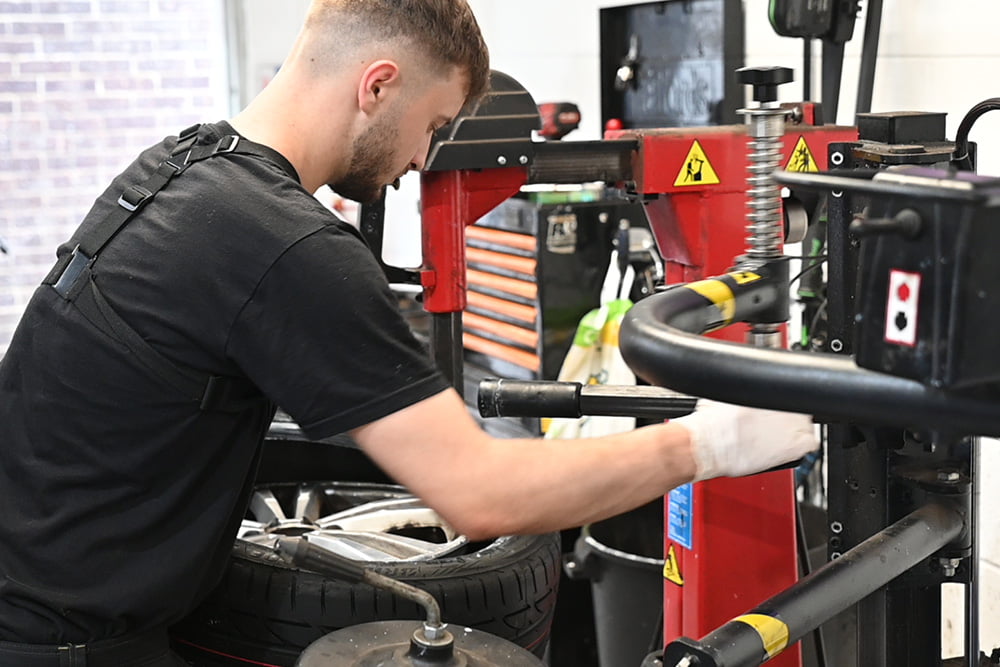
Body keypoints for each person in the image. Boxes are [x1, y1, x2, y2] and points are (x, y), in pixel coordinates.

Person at [0, 0, 818, 665]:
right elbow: (480, 494)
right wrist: (714, 442)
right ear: (378, 85)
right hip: (68, 642)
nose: (426, 160)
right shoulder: (285, 245)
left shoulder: (182, 166)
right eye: (434, 126)